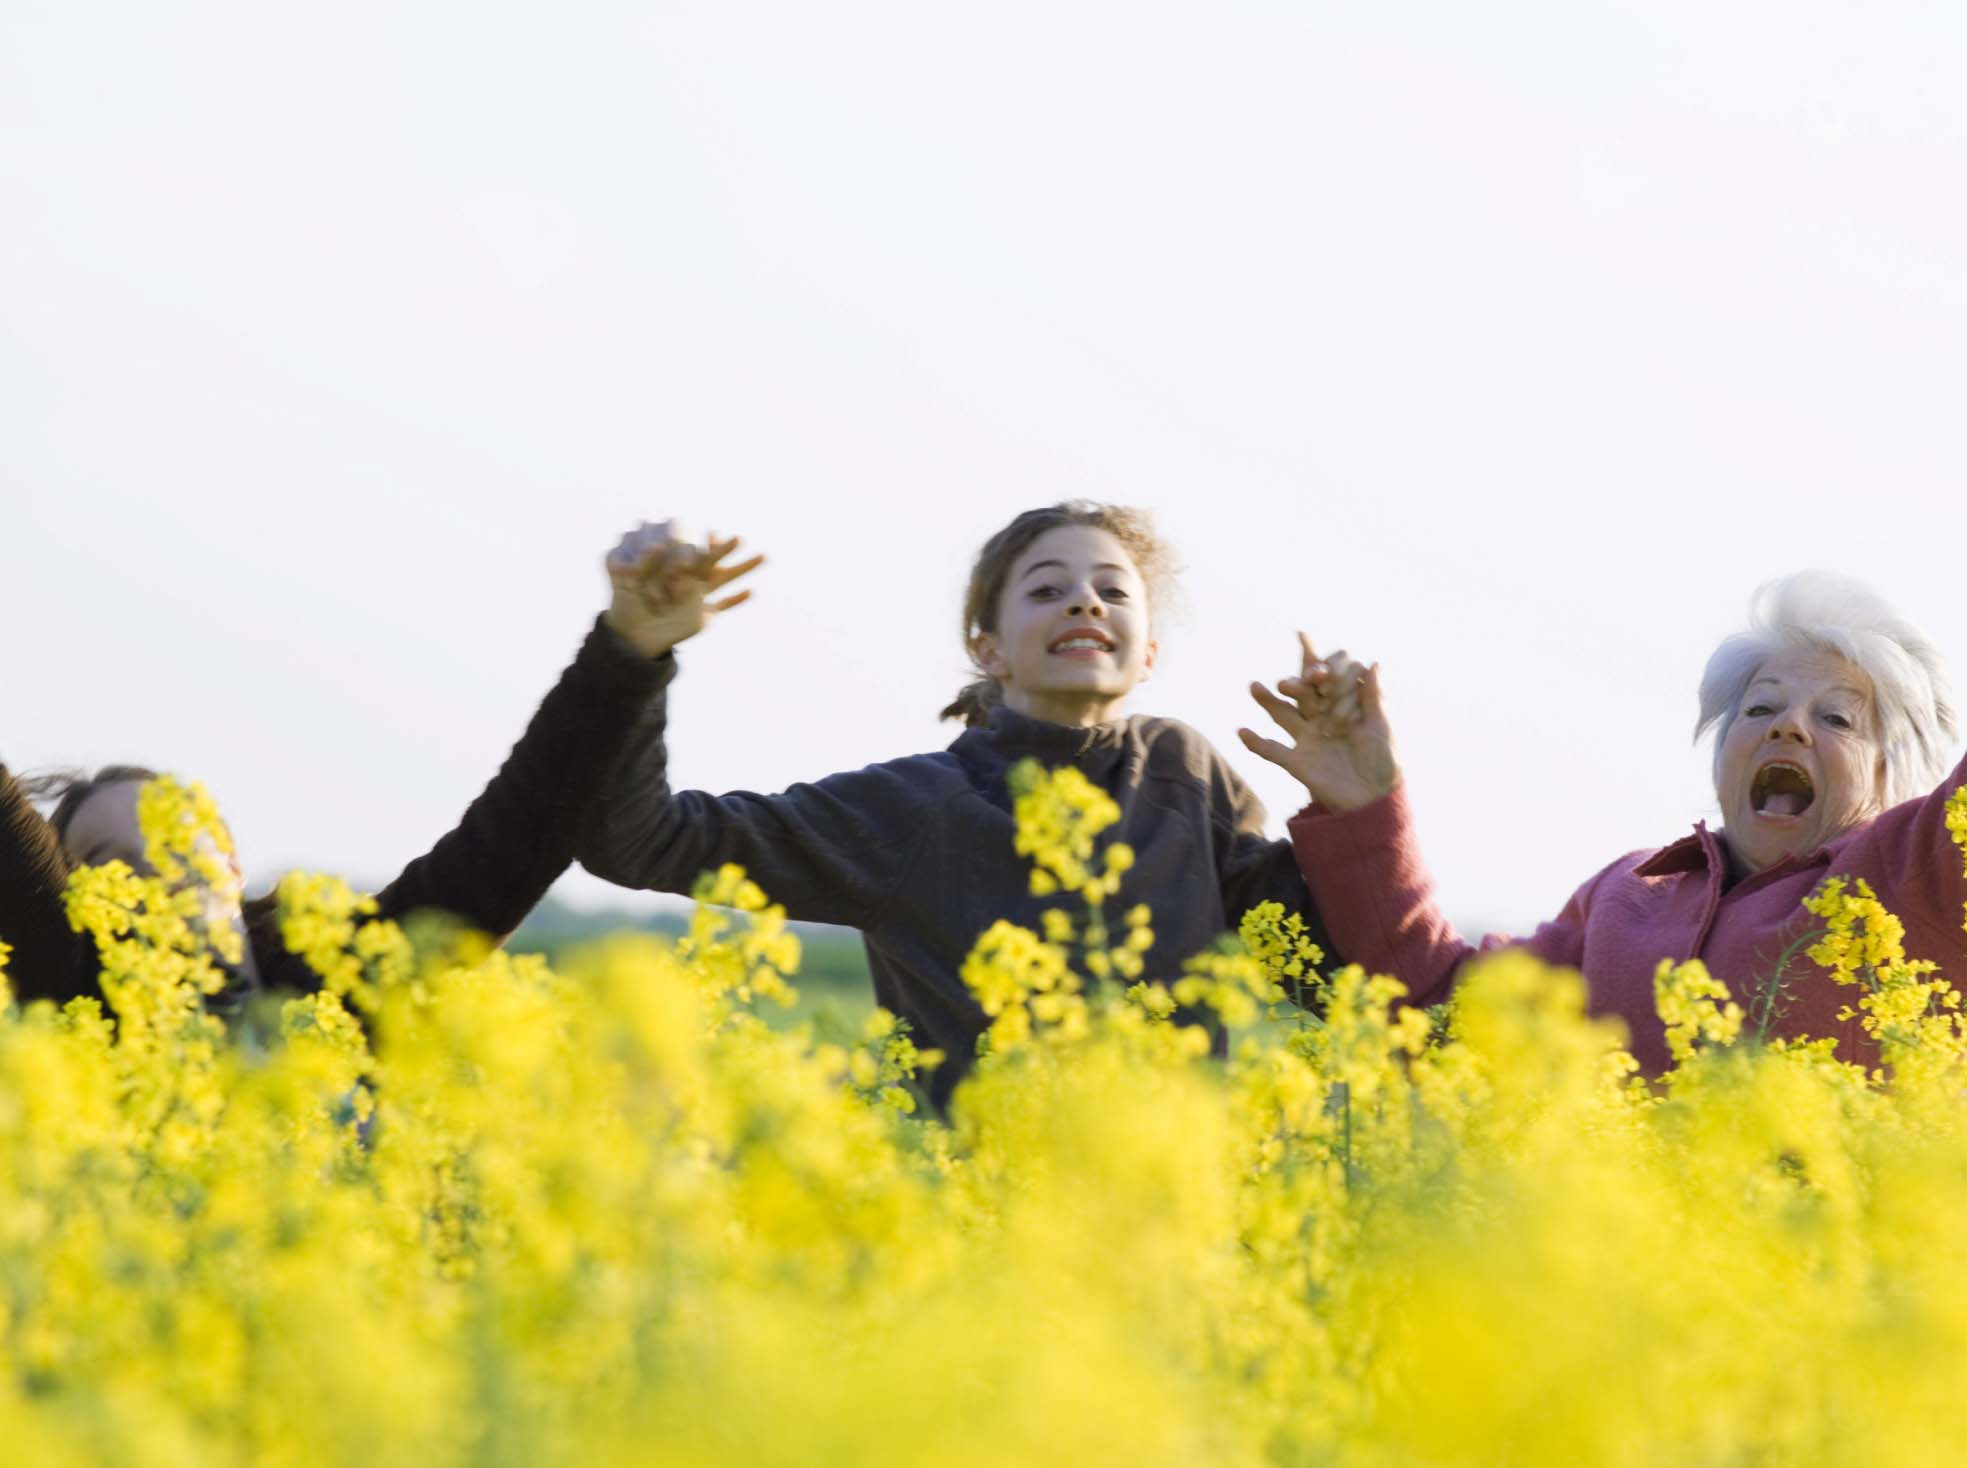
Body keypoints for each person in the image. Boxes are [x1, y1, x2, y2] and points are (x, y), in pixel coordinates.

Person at [578, 503, 1339, 1107]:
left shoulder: (1185, 774)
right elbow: (643, 841)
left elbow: (1330, 969)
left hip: (1170, 1235)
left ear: (1148, 654)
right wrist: (635, 652)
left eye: (1112, 589)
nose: (1084, 601)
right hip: (985, 1241)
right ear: (988, 650)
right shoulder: (912, 809)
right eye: (1046, 590)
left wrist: (1353, 799)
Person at [1240, 571, 1967, 1073]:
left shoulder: (1915, 872)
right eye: (1759, 707)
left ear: (1891, 774)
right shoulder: (1630, 894)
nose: (1788, 729)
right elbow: (1436, 1009)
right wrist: (1368, 805)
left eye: (1835, 718)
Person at [2, 533, 677, 1012]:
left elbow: (513, 839)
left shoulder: (340, 987)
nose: (162, 872)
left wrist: (627, 645)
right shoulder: (68, 999)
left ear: (233, 866)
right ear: (70, 900)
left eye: (180, 841)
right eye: (115, 861)